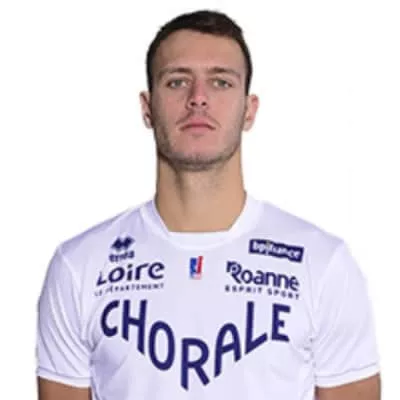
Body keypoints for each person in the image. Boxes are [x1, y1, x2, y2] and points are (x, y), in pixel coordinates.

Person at [35, 9, 381, 400]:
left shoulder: (322, 263)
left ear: (249, 110)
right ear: (147, 108)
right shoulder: (80, 266)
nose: (198, 98)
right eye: (177, 81)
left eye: (220, 82)